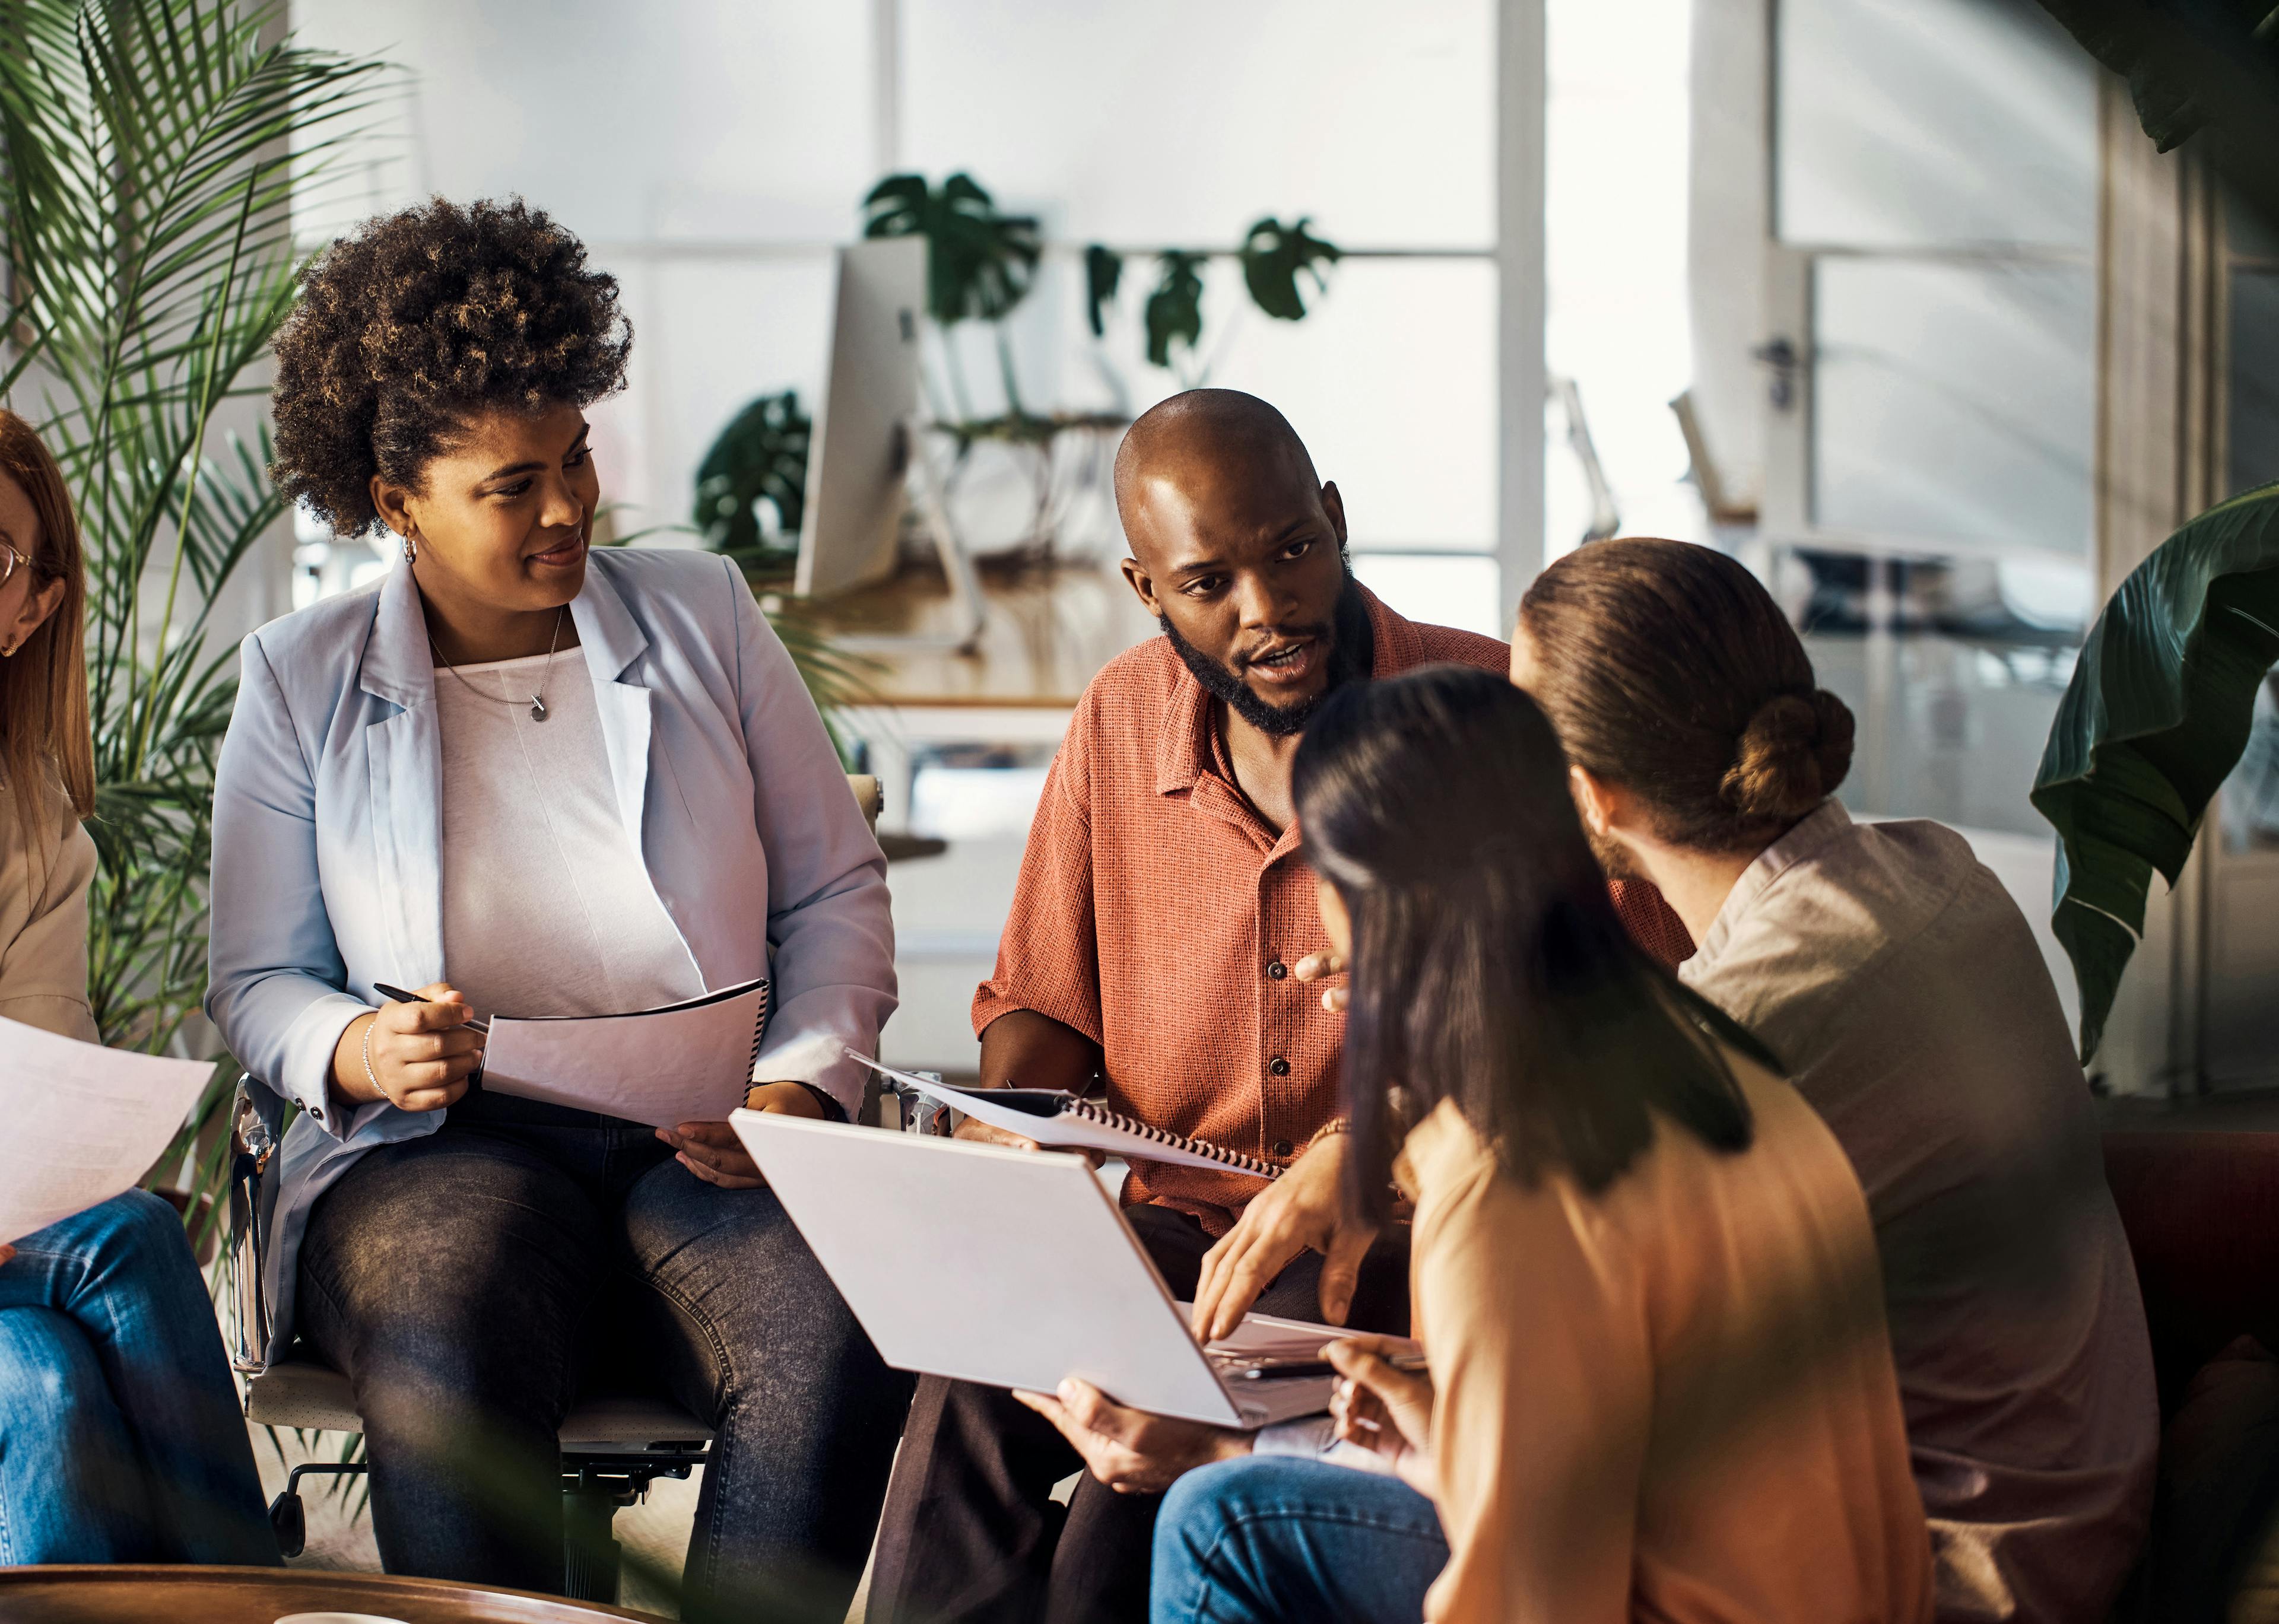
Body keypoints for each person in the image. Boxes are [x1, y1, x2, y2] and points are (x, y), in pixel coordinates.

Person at [866, 389, 1691, 1624]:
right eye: (1210, 583)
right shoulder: (1115, 719)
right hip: (1159, 1221)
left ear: (1336, 519)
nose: (1268, 609)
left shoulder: (1493, 712)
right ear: (1148, 590)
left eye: (1294, 551)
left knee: (1120, 1502)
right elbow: (1042, 1009)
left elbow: (1640, 1031)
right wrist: (1011, 1141)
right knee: (971, 1393)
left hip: (1397, 1247)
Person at [205, 198, 906, 1617]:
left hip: (706, 1145)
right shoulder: (300, 678)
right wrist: (357, 1049)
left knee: (837, 1326)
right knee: (440, 1308)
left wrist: (799, 1091)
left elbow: (836, 888)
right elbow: (259, 977)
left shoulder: (702, 616)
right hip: (436, 1146)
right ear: (396, 500)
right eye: (511, 486)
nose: (571, 508)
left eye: (576, 458)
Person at [1154, 665, 1934, 1623]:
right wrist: (1443, 1444)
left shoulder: (1506, 1183)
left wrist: (1209, 1453)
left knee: (1217, 1517)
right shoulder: (1705, 1050)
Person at [1504, 538, 2156, 1622]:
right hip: (2075, 1515)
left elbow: (1557, 1376)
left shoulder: (1742, 1029)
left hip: (1940, 1578)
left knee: (1240, 1514)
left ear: (1589, 795)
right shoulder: (1939, 867)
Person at [0, 407, 277, 1566]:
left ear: (32, 608)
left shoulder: (35, 825)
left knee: (55, 1391)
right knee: (125, 1248)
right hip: (53, 1248)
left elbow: (37, 1078)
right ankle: (250, 1587)